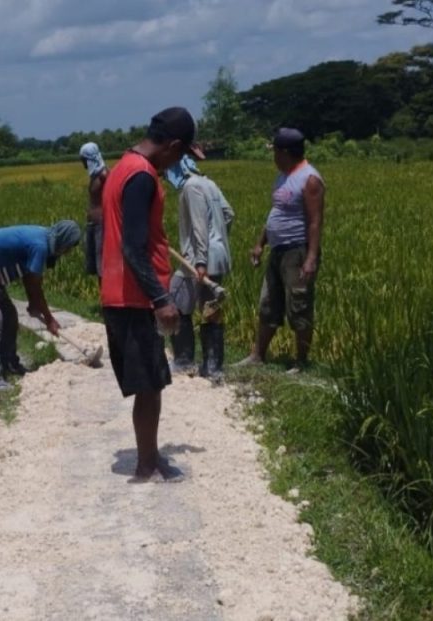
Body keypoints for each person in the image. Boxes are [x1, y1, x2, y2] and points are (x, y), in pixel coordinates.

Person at [101, 106, 203, 482]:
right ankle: (147, 464)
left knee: (152, 381)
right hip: (133, 297)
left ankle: (151, 456)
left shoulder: (123, 166)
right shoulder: (142, 176)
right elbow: (133, 247)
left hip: (122, 291)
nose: (178, 162)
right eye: (180, 154)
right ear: (173, 145)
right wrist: (160, 299)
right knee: (149, 384)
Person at [236, 127, 325, 372]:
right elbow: (276, 213)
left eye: (274, 151)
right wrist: (259, 243)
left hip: (297, 251)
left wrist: (311, 258)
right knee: (268, 303)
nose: (273, 156)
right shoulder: (283, 176)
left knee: (299, 305)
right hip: (277, 250)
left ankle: (301, 362)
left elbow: (316, 221)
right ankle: (258, 355)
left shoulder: (310, 179)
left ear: (285, 152)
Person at [0, 221, 82, 392]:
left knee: (10, 316)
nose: (68, 253)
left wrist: (33, 304)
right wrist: (49, 318)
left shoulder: (44, 239)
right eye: (68, 248)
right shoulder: (40, 245)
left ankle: (10, 362)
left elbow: (28, 275)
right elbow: (34, 284)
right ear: (63, 241)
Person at [165, 155, 234, 381]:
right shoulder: (209, 183)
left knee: (175, 302)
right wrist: (219, 239)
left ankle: (184, 361)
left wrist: (201, 259)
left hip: (197, 257)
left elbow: (198, 226)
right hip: (218, 253)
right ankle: (212, 367)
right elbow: (228, 214)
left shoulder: (190, 187)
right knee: (209, 309)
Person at [79, 143, 108, 278]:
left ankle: (106, 298)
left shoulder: (104, 175)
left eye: (83, 159)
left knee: (102, 264)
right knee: (95, 267)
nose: (82, 163)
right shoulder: (94, 176)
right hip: (93, 224)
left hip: (101, 224)